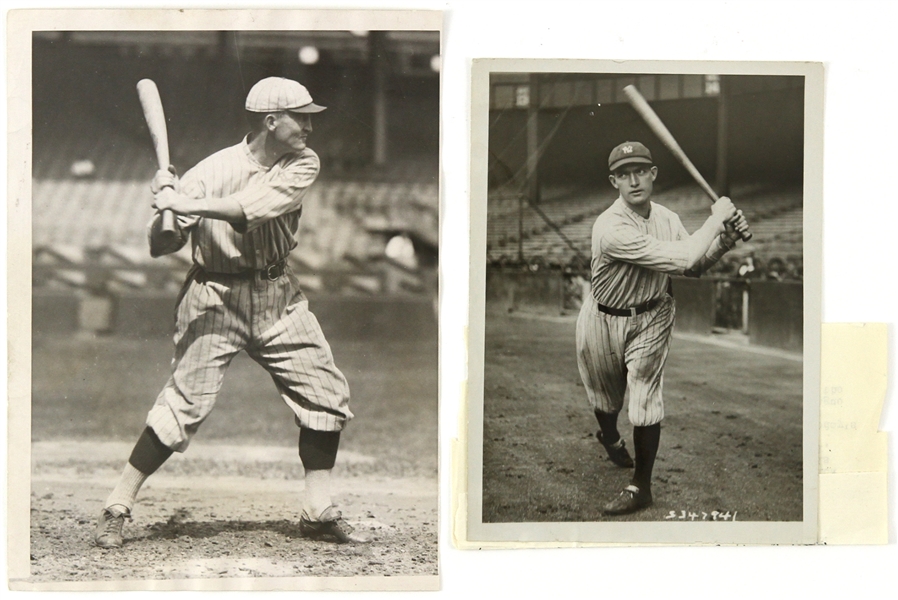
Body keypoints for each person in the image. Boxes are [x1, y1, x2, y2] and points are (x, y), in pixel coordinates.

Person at [95, 77, 369, 547]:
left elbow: (252, 209)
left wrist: (187, 201)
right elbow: (163, 245)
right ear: (271, 120)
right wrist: (165, 206)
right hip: (214, 296)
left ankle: (318, 511)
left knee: (325, 392)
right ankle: (118, 504)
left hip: (278, 296)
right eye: (300, 117)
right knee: (185, 404)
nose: (309, 126)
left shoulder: (302, 162)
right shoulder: (208, 171)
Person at [576, 141, 748, 516]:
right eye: (624, 174)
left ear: (653, 174)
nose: (634, 180)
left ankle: (641, 486)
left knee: (644, 402)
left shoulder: (667, 218)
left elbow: (692, 266)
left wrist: (724, 241)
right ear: (614, 182)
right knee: (605, 402)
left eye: (640, 171)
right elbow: (684, 255)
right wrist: (717, 218)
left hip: (653, 316)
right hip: (602, 319)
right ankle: (608, 434)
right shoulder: (609, 227)